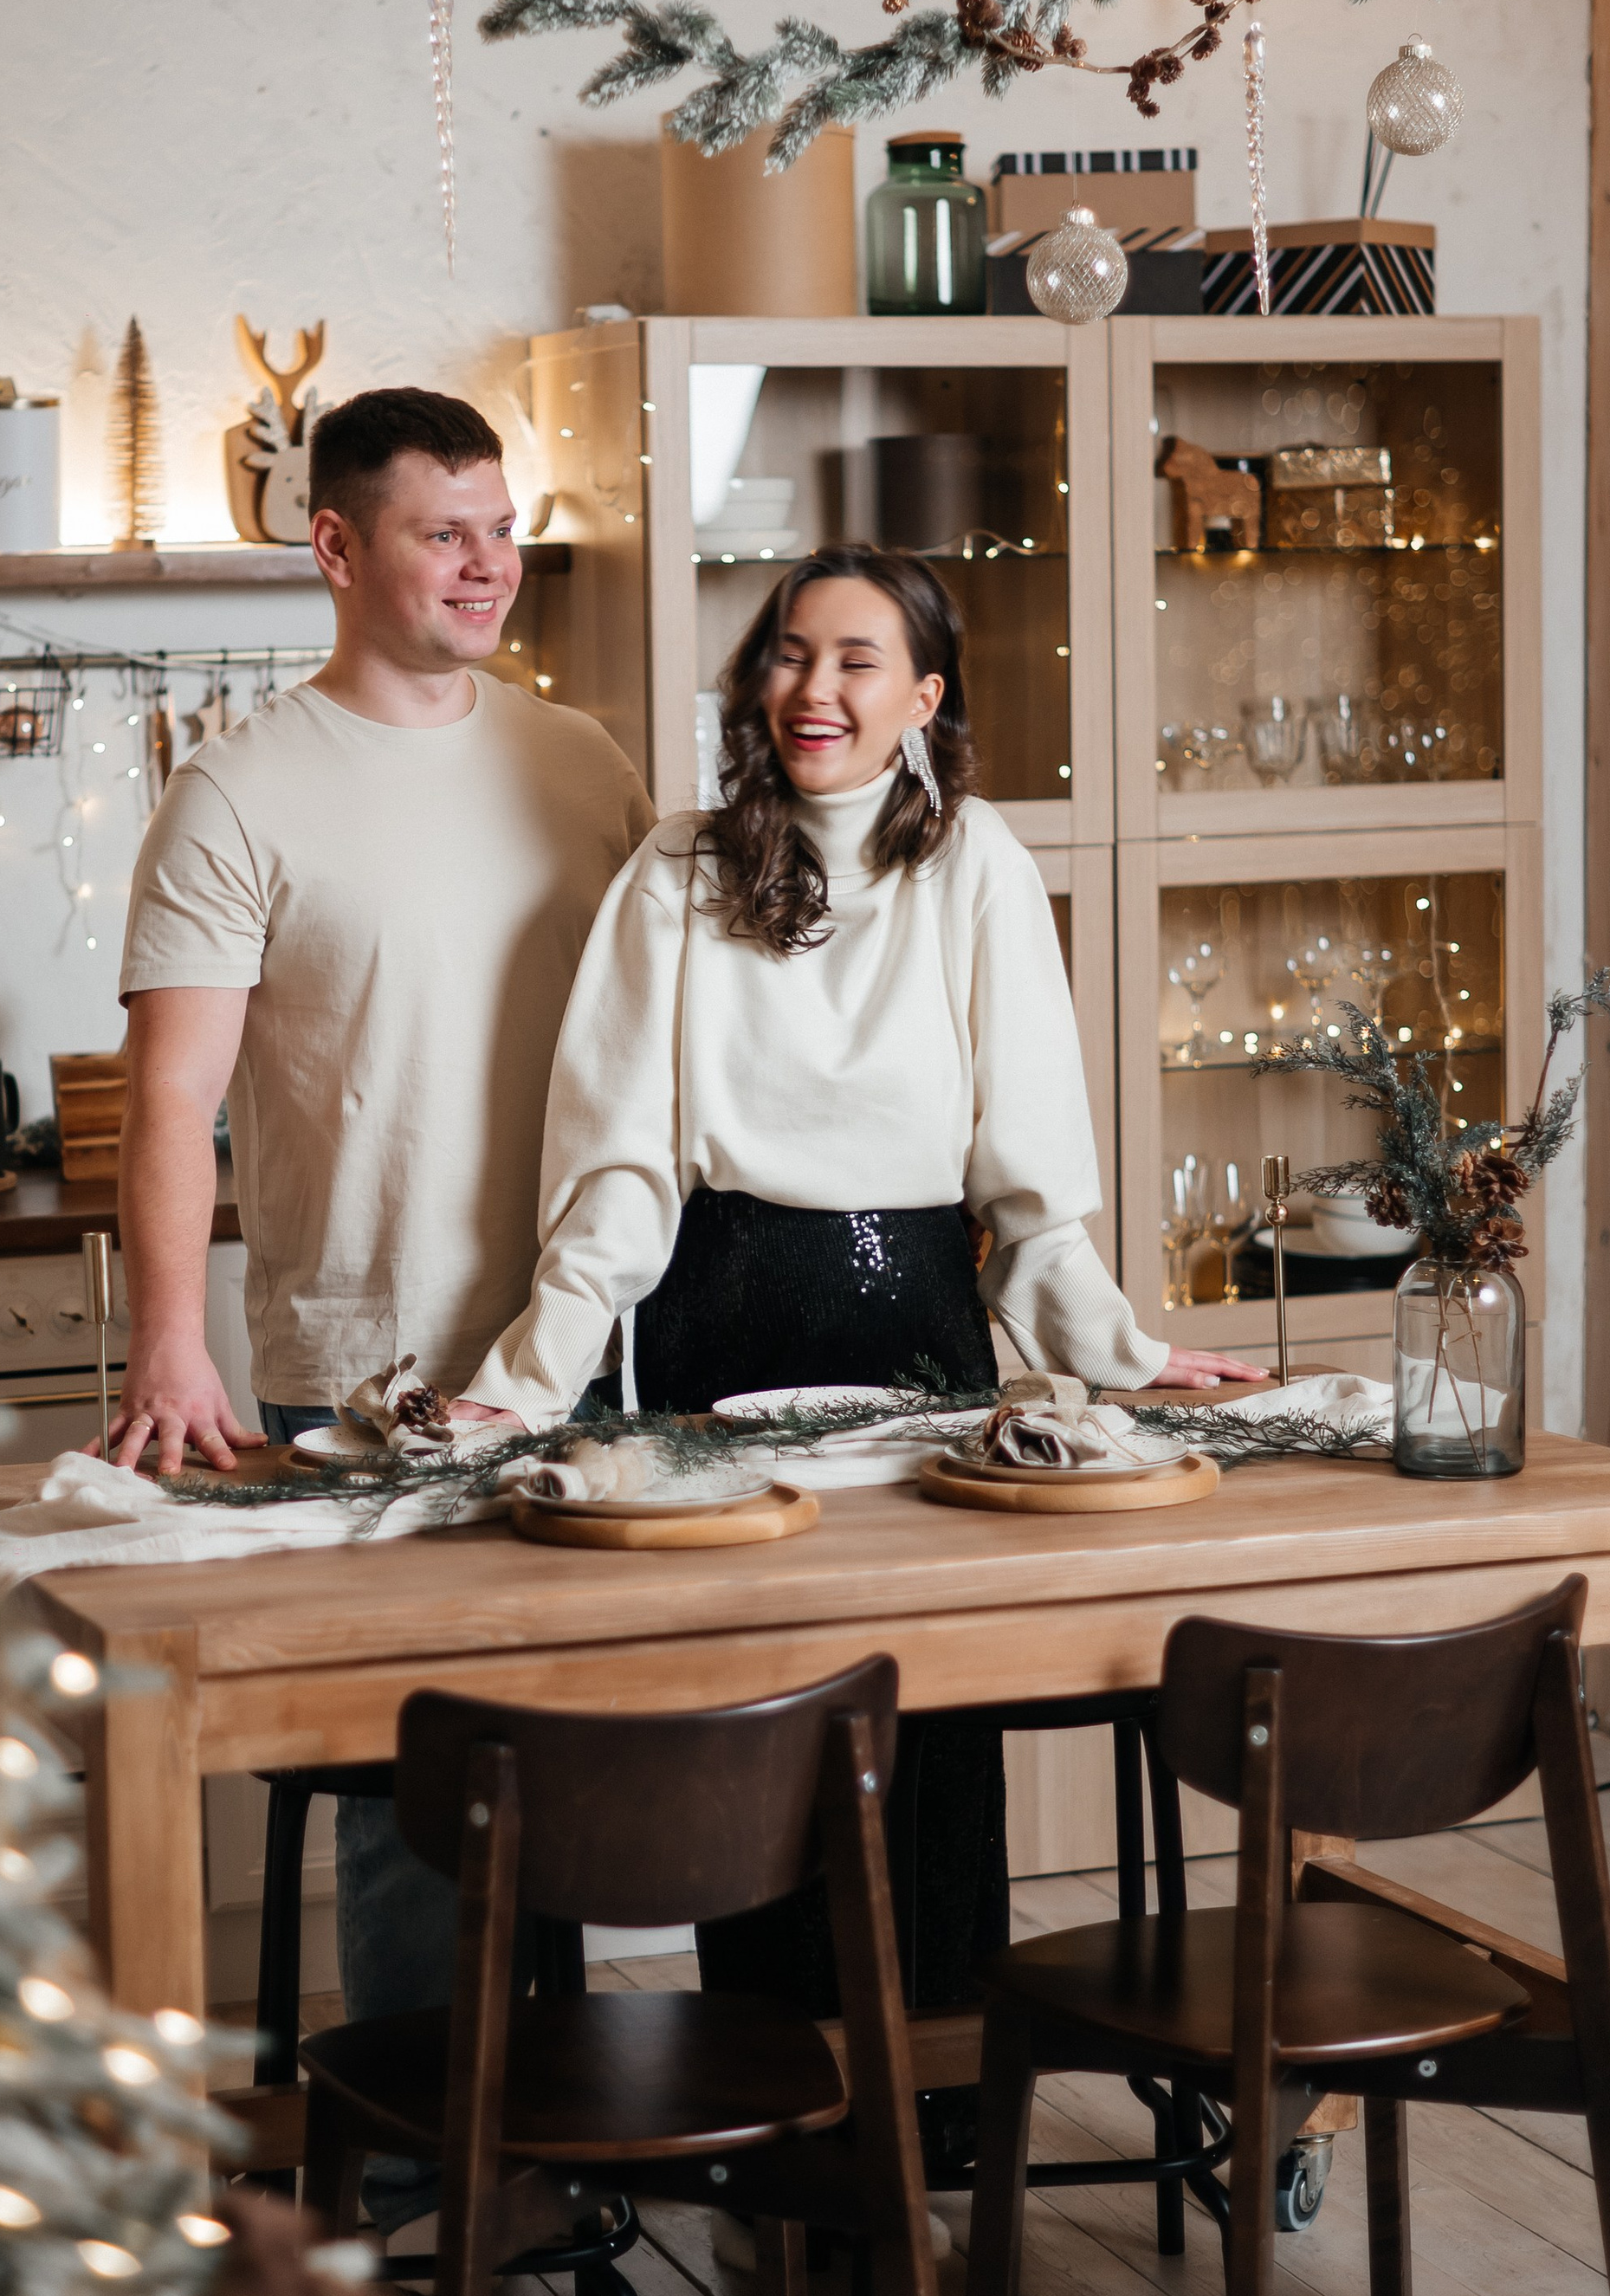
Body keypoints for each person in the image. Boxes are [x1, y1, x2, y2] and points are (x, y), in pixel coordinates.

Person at [465, 543, 1255, 2050]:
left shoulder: (977, 865)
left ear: (923, 696)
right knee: (749, 1718)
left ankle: (944, 2096)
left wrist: (1121, 1352)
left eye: (855, 660)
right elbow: (620, 1178)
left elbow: (1024, 1185)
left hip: (918, 1337)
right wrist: (524, 1379)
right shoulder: (678, 870)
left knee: (929, 1714)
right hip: (713, 1325)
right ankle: (765, 2106)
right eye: (788, 654)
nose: (812, 688)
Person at [109, 384, 651, 2218]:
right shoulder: (238, 785)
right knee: (415, 1794)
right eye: (442, 530)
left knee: (571, 1758)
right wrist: (174, 1335)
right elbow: (171, 1097)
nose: (486, 562)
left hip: (582, 1356)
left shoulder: (580, 761)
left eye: (499, 526)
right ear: (332, 547)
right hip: (358, 1368)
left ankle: (570, 2138)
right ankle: (438, 2176)